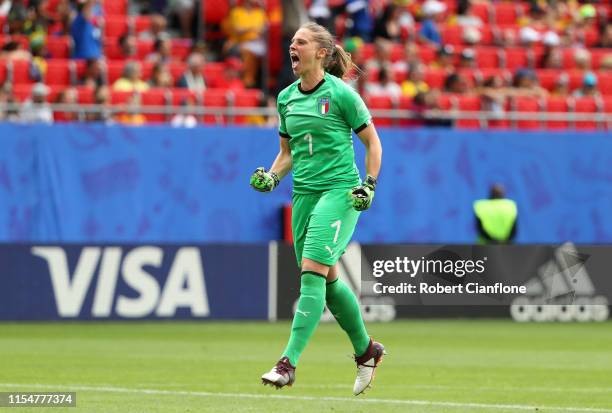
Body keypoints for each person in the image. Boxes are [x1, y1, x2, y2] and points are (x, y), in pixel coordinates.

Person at [250, 22, 384, 396]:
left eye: (301, 42)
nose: (293, 47)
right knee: (324, 279)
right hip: (304, 195)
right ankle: (367, 351)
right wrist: (272, 177)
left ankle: (287, 362)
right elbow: (287, 154)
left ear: (321, 52)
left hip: (340, 191)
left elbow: (374, 144)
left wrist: (368, 185)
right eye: (292, 42)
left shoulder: (342, 95)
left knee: (311, 271)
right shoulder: (286, 98)